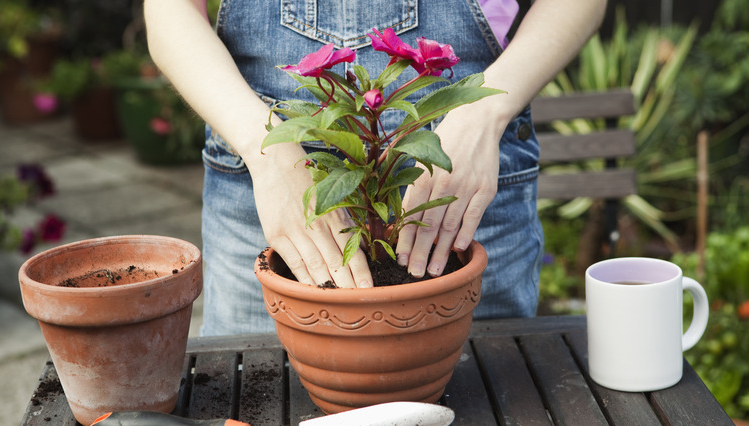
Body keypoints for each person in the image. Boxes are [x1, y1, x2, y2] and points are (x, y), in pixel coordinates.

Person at [144, 0, 607, 335]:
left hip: (460, 191)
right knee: (265, 399)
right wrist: (263, 145)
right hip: (269, 193)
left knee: (485, 405)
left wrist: (483, 110)